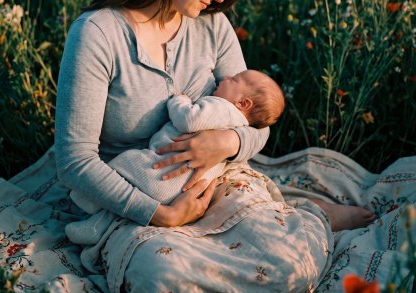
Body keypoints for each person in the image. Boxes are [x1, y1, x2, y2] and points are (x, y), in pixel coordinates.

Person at [55, 0, 375, 293]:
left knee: (291, 262)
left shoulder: (213, 26)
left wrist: (227, 142)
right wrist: (159, 215)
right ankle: (254, 234)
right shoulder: (97, 34)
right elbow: (74, 159)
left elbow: (258, 120)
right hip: (129, 196)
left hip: (213, 179)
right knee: (161, 282)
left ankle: (313, 215)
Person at [68, 68, 285, 215]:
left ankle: (86, 198)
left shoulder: (222, 108)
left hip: (160, 170)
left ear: (243, 103)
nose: (224, 78)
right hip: (180, 192)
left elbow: (189, 120)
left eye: (233, 80)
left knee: (124, 163)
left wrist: (179, 101)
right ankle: (98, 223)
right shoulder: (241, 121)